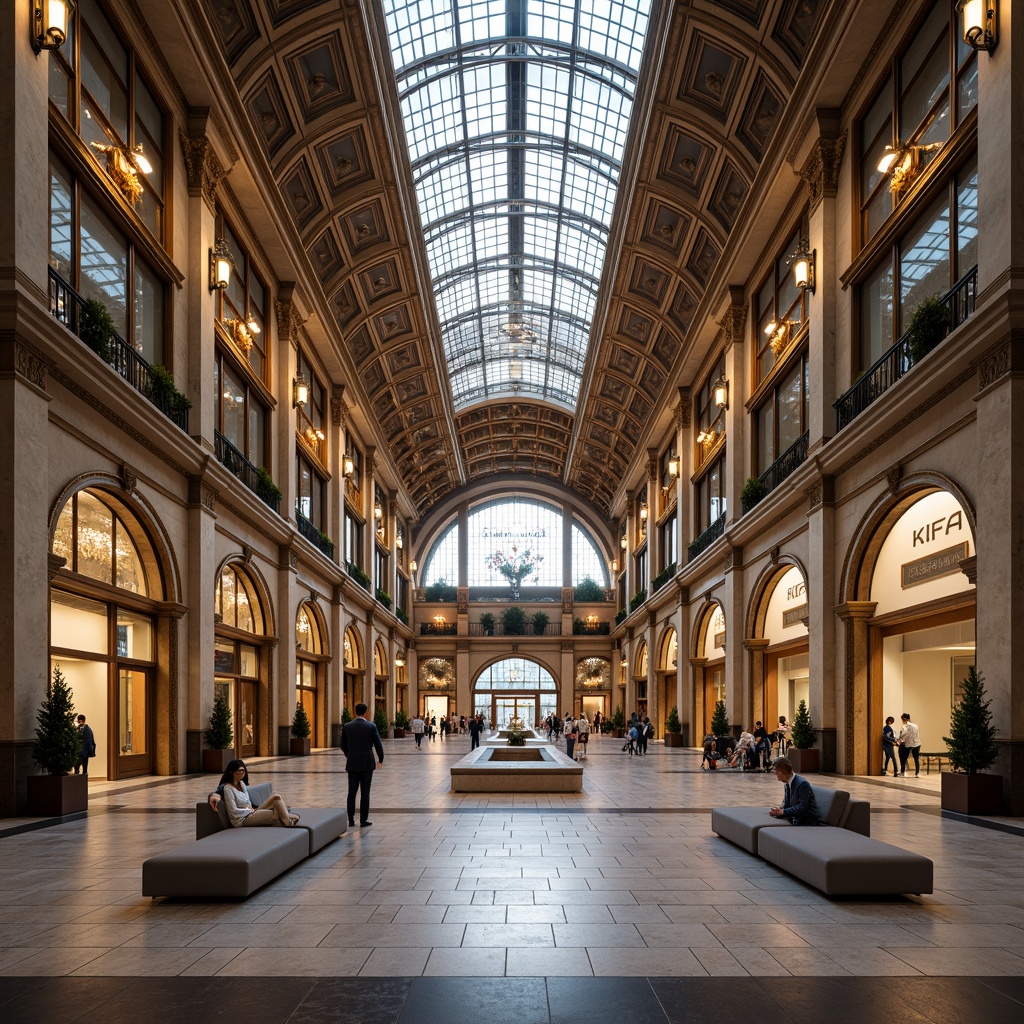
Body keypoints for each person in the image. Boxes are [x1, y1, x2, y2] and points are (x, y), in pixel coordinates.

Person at [340, 702, 384, 827]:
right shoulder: (371, 726)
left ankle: (351, 819)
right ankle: (363, 820)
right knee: (365, 792)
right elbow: (378, 744)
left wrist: (349, 755)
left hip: (352, 763)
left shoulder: (347, 726)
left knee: (351, 792)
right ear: (366, 712)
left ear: (355, 712)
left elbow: (342, 745)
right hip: (366, 763)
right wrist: (380, 759)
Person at [219, 760, 299, 827]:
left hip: (252, 811)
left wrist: (253, 809)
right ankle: (288, 821)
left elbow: (248, 802)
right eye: (239, 771)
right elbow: (233, 811)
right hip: (243, 818)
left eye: (244, 770)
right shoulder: (228, 789)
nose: (242, 773)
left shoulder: (241, 784)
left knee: (276, 797)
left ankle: (286, 817)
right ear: (231, 772)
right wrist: (249, 811)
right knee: (278, 812)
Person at [768, 757, 818, 824]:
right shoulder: (787, 783)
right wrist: (779, 809)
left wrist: (783, 812)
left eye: (777, 774)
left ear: (784, 772)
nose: (777, 778)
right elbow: (787, 802)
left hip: (805, 821)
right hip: (794, 818)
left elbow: (802, 807)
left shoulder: (802, 784)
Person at [898, 712, 921, 778]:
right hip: (917, 744)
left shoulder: (905, 726)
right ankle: (917, 773)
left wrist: (899, 741)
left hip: (908, 744)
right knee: (916, 759)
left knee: (903, 758)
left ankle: (903, 772)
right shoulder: (916, 725)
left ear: (903, 719)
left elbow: (904, 735)